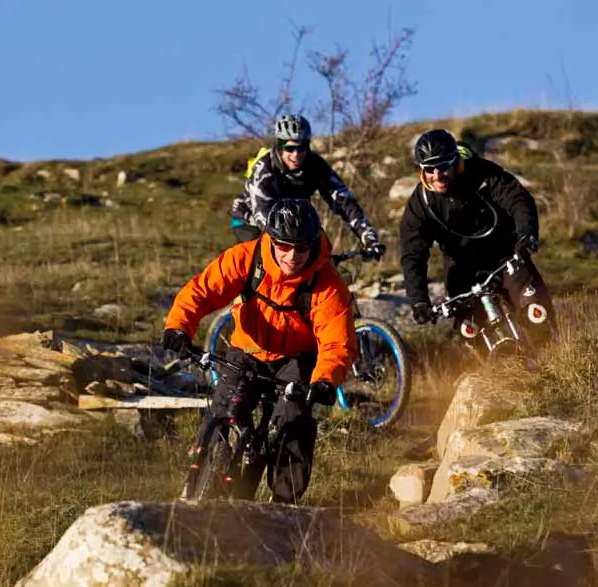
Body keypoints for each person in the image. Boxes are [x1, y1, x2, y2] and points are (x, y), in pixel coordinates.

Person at [163, 198, 356, 503]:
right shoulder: (246, 258)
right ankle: (202, 486)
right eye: (284, 246)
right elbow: (202, 290)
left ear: (313, 243)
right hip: (247, 349)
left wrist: (325, 381)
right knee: (223, 411)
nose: (292, 256)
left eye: (301, 247)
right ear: (271, 239)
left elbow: (337, 341)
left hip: (297, 359)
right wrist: (178, 327)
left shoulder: (328, 284)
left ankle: (285, 505)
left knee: (294, 422)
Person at [399, 129, 554, 346]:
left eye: (442, 166)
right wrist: (419, 301)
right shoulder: (421, 203)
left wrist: (526, 235)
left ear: (455, 161)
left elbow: (518, 199)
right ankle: (492, 366)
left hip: (506, 256)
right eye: (429, 169)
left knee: (537, 315)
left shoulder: (482, 173)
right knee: (471, 333)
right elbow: (412, 254)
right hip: (462, 269)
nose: (437, 174)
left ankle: (553, 360)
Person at [229, 114, 386, 260]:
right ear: (279, 146)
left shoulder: (315, 165)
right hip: (250, 221)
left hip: (292, 220)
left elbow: (345, 202)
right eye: (290, 148)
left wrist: (369, 237)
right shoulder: (264, 169)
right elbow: (262, 214)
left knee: (320, 254)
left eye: (302, 147)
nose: (296, 154)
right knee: (270, 261)